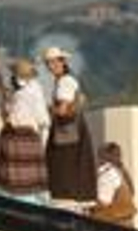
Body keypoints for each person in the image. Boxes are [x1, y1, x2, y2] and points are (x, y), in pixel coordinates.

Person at [40, 46, 98, 204]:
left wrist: (46, 108)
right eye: (49, 63)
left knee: (65, 165)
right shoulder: (64, 80)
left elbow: (62, 110)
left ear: (62, 62)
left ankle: (67, 195)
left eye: (54, 62)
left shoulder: (65, 81)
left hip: (67, 130)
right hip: (70, 128)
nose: (51, 66)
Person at [0, 58, 50, 202]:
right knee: (32, 180)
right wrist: (0, 88)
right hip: (31, 137)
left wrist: (0, 93)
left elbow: (7, 116)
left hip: (18, 138)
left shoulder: (22, 94)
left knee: (17, 183)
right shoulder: (35, 89)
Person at [89, 142, 137, 227]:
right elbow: (132, 192)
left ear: (105, 156)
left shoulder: (108, 174)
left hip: (112, 225)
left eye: (99, 154)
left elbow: (103, 202)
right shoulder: (121, 172)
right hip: (125, 224)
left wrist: (85, 206)